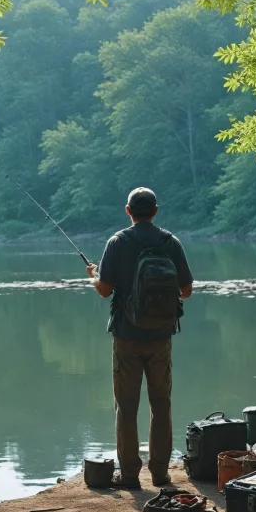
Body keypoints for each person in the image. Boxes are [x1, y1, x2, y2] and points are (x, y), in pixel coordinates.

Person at [86, 187, 193, 488]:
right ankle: (160, 472)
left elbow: (105, 289)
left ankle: (130, 475)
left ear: (128, 211)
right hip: (161, 337)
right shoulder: (169, 242)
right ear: (156, 211)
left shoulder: (117, 242)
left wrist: (93, 276)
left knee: (126, 407)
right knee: (161, 405)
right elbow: (186, 290)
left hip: (126, 336)